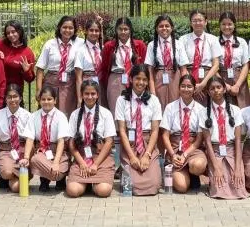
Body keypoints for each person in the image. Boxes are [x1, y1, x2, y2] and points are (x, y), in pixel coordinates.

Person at [113, 64, 162, 196]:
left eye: (144, 79)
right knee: (131, 185)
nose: (141, 82)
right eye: (137, 78)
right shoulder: (122, 100)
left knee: (154, 184)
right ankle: (125, 168)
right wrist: (132, 156)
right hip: (130, 145)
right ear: (131, 79)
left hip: (148, 144)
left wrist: (147, 155)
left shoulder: (154, 100)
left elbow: (155, 131)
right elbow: (122, 131)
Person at [65, 79, 116, 198]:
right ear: (82, 95)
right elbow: (71, 143)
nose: (90, 97)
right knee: (72, 191)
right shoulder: (75, 114)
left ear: (97, 95)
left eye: (93, 94)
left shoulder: (106, 113)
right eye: (86, 94)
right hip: (82, 157)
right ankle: (86, 184)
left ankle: (95, 183)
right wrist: (82, 163)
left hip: (100, 158)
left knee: (103, 191)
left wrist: (95, 165)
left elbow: (109, 142)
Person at [160, 73, 207, 194]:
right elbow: (165, 135)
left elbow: (199, 140)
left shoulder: (201, 109)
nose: (186, 89)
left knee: (198, 165)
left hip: (193, 149)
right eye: (183, 86)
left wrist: (185, 155)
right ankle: (182, 174)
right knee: (182, 187)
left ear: (194, 88)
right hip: (175, 148)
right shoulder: (170, 107)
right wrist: (172, 154)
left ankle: (192, 173)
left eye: (189, 86)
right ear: (179, 88)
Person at [202, 76, 246, 200]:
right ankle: (211, 180)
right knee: (219, 189)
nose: (216, 90)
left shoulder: (235, 110)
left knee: (238, 189)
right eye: (212, 88)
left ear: (225, 89)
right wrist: (216, 168)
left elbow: (238, 140)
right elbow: (207, 143)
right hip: (215, 152)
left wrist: (238, 168)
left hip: (231, 150)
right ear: (208, 92)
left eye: (219, 87)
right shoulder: (204, 112)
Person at [0, 84, 34, 193]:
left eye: (15, 96)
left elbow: (29, 139)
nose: (12, 100)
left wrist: (27, 157)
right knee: (7, 172)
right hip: (6, 150)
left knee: (17, 188)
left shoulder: (28, 116)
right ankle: (9, 177)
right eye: (9, 97)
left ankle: (12, 180)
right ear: (5, 99)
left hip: (23, 150)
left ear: (20, 98)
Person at [28, 85, 71, 192]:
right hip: (42, 151)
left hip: (58, 151)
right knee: (35, 159)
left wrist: (56, 162)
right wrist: (25, 157)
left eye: (49, 99)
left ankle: (60, 180)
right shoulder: (33, 116)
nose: (46, 102)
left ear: (55, 100)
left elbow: (61, 141)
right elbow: (30, 138)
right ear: (39, 100)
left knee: (58, 172)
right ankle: (44, 180)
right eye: (43, 99)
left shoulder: (61, 116)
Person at [99, 17, 146, 110]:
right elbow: (104, 68)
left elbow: (144, 66)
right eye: (120, 29)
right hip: (115, 81)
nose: (123, 32)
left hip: (134, 80)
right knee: (116, 110)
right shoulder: (109, 46)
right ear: (116, 30)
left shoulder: (140, 45)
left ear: (130, 30)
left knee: (134, 110)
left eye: (126, 29)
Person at [37, 16, 81, 113]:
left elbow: (94, 39)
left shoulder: (79, 43)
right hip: (51, 81)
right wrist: (39, 90)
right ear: (59, 28)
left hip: (69, 83)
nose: (67, 30)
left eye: (71, 28)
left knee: (67, 111)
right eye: (64, 27)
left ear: (74, 30)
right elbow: (40, 68)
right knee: (49, 110)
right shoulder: (50, 44)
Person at [180, 9, 222, 105]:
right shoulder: (183, 40)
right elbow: (183, 66)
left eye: (200, 20)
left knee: (208, 106)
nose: (197, 23)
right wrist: (191, 85)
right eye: (194, 21)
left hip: (208, 77)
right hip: (189, 76)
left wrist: (203, 84)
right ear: (190, 23)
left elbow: (216, 65)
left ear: (206, 22)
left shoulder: (213, 39)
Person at [0, 20, 37, 97]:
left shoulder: (27, 52)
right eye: (8, 33)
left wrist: (26, 71)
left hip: (14, 93)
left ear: (19, 31)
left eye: (13, 32)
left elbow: (30, 79)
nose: (10, 35)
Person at [219, 12, 250, 108]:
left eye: (230, 24)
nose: (227, 27)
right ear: (220, 26)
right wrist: (225, 85)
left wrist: (237, 85)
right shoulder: (214, 42)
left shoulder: (242, 42)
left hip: (239, 80)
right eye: (224, 24)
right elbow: (213, 66)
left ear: (234, 25)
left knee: (242, 109)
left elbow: (246, 65)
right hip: (221, 79)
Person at [73, 18, 105, 108]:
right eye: (91, 30)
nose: (94, 33)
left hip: (101, 85)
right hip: (87, 86)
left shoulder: (102, 49)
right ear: (86, 31)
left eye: (96, 31)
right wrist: (80, 98)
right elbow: (78, 78)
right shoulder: (81, 51)